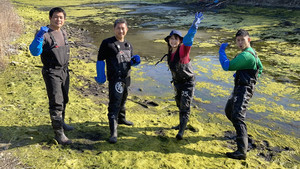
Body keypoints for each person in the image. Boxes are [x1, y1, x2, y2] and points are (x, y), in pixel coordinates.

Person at [29, 7, 73, 145]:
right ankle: (59, 133)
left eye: (61, 17)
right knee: (56, 102)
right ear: (50, 18)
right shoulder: (45, 34)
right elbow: (35, 52)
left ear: (64, 19)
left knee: (64, 98)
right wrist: (39, 37)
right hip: (51, 72)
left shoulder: (63, 32)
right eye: (55, 17)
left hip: (64, 71)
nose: (58, 19)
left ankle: (62, 122)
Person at [219, 29, 263, 160]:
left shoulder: (246, 56)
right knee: (229, 110)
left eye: (242, 40)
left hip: (244, 89)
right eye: (237, 40)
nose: (239, 43)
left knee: (238, 117)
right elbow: (260, 67)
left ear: (248, 40)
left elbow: (227, 66)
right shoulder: (252, 53)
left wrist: (221, 52)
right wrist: (250, 75)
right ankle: (241, 133)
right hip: (240, 87)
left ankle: (241, 151)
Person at [95, 18, 141, 144]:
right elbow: (100, 59)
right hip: (115, 80)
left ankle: (121, 119)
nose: (121, 30)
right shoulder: (107, 43)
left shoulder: (128, 45)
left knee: (123, 99)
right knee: (114, 104)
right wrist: (100, 75)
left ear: (127, 29)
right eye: (118, 28)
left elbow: (127, 61)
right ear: (114, 29)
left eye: (123, 28)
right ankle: (113, 132)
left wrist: (134, 62)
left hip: (127, 78)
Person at [162, 12, 204, 140]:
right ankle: (181, 124)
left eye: (176, 38)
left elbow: (189, 38)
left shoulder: (183, 50)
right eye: (171, 38)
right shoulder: (170, 52)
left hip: (188, 83)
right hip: (177, 83)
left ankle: (181, 131)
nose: (173, 41)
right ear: (169, 41)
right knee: (179, 104)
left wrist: (194, 26)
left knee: (185, 106)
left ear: (180, 41)